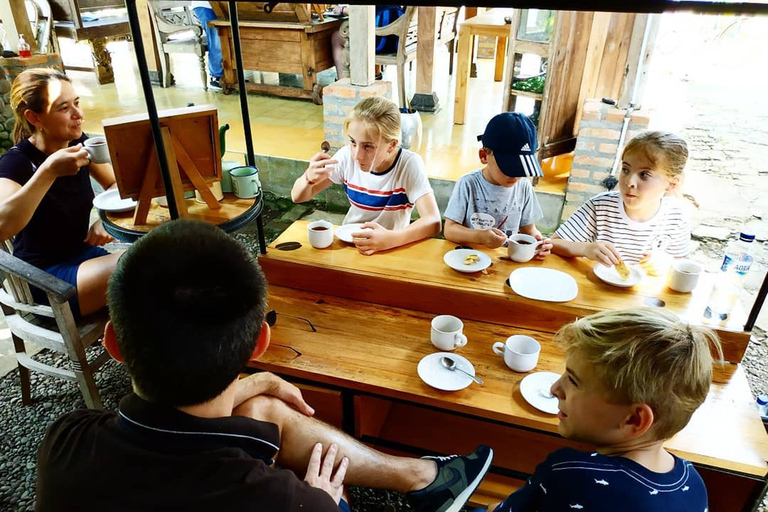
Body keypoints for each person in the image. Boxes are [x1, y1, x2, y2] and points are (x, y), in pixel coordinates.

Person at [36, 219, 494, 512]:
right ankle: (419, 480)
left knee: (261, 410)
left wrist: (257, 385)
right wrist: (324, 501)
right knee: (328, 481)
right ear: (260, 342)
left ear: (115, 343)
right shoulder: (286, 501)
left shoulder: (64, 442)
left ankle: (423, 479)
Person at [475, 307, 722, 512]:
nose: (554, 389)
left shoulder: (570, 475)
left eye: (572, 381)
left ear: (634, 419)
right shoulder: (693, 483)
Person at [0, 68, 119, 318]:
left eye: (76, 103)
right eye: (64, 108)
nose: (79, 115)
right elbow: (2, 225)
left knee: (156, 269)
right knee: (145, 263)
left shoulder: (78, 144)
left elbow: (115, 186)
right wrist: (48, 172)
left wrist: (103, 219)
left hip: (84, 257)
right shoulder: (16, 163)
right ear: (34, 118)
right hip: (46, 280)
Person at [291, 96, 441, 255]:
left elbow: (433, 221)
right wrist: (308, 178)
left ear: (392, 145)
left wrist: (390, 239)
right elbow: (297, 197)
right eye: (353, 142)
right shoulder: (345, 157)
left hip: (392, 248)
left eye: (368, 146)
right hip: (349, 244)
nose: (357, 155)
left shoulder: (408, 164)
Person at [551, 131, 690, 270]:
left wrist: (665, 261)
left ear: (672, 183)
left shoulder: (676, 217)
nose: (629, 182)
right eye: (625, 169)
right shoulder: (600, 206)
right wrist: (585, 249)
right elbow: (554, 243)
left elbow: (680, 264)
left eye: (644, 174)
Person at [443, 112, 552, 257]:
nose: (515, 176)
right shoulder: (468, 184)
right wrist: (480, 236)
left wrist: (539, 241)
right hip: (469, 258)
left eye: (521, 170)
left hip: (505, 260)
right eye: (509, 168)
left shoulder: (524, 187)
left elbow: (529, 229)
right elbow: (449, 230)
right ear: (484, 155)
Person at [190, 1, 223, 91]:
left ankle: (231, 73)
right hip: (205, 6)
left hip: (222, 5)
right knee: (216, 37)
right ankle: (217, 76)